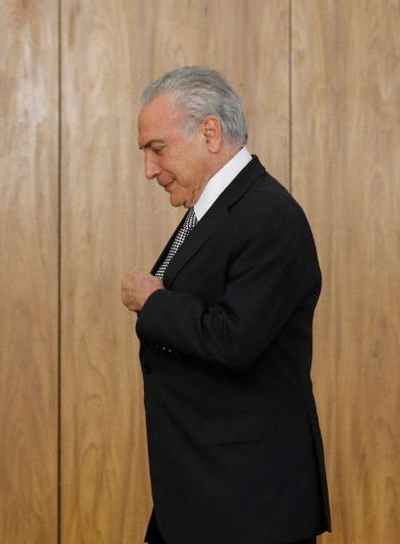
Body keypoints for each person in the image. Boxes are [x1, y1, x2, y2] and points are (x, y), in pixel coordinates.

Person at [120, 66, 331, 544]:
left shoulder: (268, 214)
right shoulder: (214, 210)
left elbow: (234, 338)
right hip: (206, 496)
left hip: (248, 506)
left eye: (157, 149)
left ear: (209, 132)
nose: (150, 169)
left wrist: (153, 304)